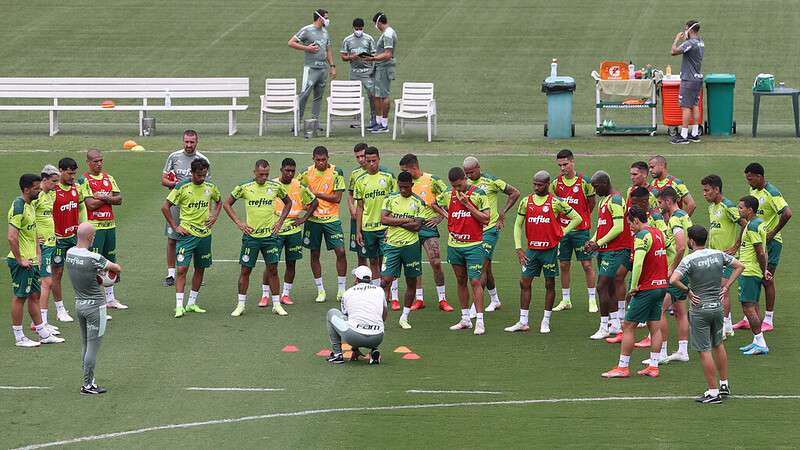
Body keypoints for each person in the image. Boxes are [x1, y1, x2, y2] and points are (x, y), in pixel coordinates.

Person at [670, 225, 743, 403]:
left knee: (704, 350)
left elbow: (673, 279)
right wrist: (726, 287)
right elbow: (740, 266)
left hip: (700, 309)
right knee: (718, 345)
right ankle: (724, 384)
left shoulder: (689, 260)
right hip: (717, 307)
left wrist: (687, 291)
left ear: (692, 241)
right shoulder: (718, 254)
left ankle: (712, 392)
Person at [505, 171, 582, 334]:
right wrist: (519, 248)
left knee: (549, 284)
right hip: (531, 251)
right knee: (524, 283)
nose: (536, 187)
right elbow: (518, 225)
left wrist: (563, 232)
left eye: (540, 185)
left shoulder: (556, 202)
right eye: (534, 184)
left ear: (547, 184)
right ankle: (523, 321)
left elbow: (577, 218)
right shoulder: (526, 201)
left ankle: (545, 321)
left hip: (550, 251)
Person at [601, 206, 668, 378]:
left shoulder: (641, 236)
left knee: (628, 326)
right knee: (655, 326)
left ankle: (623, 367)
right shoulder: (658, 232)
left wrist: (634, 286)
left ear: (636, 220)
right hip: (661, 286)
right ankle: (653, 366)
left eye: (630, 223)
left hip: (647, 288)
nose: (629, 227)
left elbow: (637, 263)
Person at [223, 160, 291, 317]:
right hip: (251, 237)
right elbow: (227, 204)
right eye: (261, 174)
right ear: (254, 172)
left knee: (273, 269)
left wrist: (279, 222)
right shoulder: (244, 187)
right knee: (246, 270)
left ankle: (276, 305)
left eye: (266, 174)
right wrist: (239, 222)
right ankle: (241, 305)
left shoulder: (275, 187)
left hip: (270, 237)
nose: (264, 177)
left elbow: (288, 202)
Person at [7, 174, 64, 347]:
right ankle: (19, 337)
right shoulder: (18, 206)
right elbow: (11, 237)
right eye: (36, 188)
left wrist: (38, 255)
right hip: (22, 263)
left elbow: (33, 234)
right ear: (26, 189)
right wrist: (20, 259)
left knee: (35, 295)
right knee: (20, 297)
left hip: (32, 260)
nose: (40, 191)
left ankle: (43, 333)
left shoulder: (30, 205)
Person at [65, 222, 122, 395]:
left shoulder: (69, 253)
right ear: (91, 237)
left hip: (79, 304)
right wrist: (109, 276)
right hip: (96, 307)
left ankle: (89, 380)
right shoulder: (94, 258)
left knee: (85, 343)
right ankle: (88, 385)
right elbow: (116, 268)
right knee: (93, 346)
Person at [432, 167, 490, 335]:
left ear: (465, 178)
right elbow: (433, 203)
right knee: (460, 280)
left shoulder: (478, 194)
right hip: (455, 246)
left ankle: (479, 320)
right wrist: (447, 215)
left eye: (459, 185)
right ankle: (465, 319)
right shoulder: (449, 195)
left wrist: (467, 205)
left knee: (475, 281)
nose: (457, 189)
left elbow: (486, 219)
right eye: (454, 186)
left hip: (473, 245)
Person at [161, 159, 222, 318]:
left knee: (200, 268)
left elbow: (219, 201)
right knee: (181, 269)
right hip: (186, 235)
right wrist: (175, 227)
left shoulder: (210, 187)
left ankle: (192, 303)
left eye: (204, 175)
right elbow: (165, 206)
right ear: (192, 173)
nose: (202, 178)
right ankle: (179, 306)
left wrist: (214, 216)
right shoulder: (182, 187)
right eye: (200, 175)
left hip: (204, 235)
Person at [735, 163, 792, 332]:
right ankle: (749, 317)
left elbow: (787, 213)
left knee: (766, 279)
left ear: (760, 176)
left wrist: (773, 233)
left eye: (750, 178)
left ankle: (768, 319)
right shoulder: (754, 192)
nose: (749, 182)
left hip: (771, 244)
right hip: (757, 241)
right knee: (754, 278)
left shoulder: (772, 192)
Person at [463, 156, 520, 314]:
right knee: (486, 269)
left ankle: (475, 307)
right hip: (473, 231)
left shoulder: (491, 181)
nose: (469, 176)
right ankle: (495, 300)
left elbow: (514, 192)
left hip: (490, 229)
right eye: (466, 173)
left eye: (471, 172)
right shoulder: (464, 184)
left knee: (481, 267)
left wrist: (503, 211)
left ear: (479, 168)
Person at [399, 154, 452, 311]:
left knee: (436, 262)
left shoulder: (432, 180)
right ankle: (419, 298)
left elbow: (450, 197)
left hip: (428, 227)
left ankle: (442, 299)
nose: (403, 173)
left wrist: (439, 217)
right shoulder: (405, 184)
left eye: (404, 170)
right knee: (415, 265)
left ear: (413, 167)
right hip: (410, 227)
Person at [584, 171, 631, 340]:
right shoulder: (605, 200)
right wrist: (593, 240)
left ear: (604, 183)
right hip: (605, 250)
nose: (595, 190)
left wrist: (598, 242)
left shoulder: (616, 200)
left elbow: (618, 227)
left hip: (616, 250)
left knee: (601, 287)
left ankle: (604, 326)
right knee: (609, 287)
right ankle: (616, 324)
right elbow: (603, 226)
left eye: (596, 187)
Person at [77, 149, 126, 310]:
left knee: (109, 262)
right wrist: (108, 198)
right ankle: (95, 302)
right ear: (88, 162)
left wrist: (103, 197)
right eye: (95, 161)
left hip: (110, 226)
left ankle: (110, 299)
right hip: (94, 228)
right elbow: (89, 204)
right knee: (95, 265)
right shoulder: (83, 180)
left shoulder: (108, 177)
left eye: (101, 161)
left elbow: (119, 199)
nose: (99, 164)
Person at [550, 149, 597, 313]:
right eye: (560, 165)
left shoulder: (585, 182)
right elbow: (554, 204)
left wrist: (583, 217)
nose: (563, 168)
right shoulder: (556, 183)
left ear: (572, 162)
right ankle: (566, 299)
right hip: (563, 231)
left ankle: (592, 299)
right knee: (563, 264)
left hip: (581, 230)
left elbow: (592, 203)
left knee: (586, 264)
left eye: (565, 164)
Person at [299, 146, 348, 302]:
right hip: (313, 220)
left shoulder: (336, 172)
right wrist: (305, 204)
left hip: (331, 219)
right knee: (314, 253)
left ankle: (342, 289)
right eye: (318, 160)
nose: (321, 163)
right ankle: (320, 290)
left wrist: (317, 194)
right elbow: (296, 189)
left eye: (323, 160)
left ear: (328, 158)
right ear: (313, 159)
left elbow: (337, 198)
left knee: (340, 251)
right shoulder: (306, 173)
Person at [162, 130, 209, 287]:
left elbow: (208, 187)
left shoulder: (203, 160)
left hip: (196, 206)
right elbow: (164, 179)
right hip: (176, 203)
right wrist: (176, 185)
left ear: (197, 142)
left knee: (197, 238)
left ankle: (198, 274)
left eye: (192, 142)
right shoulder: (174, 157)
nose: (189, 145)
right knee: (172, 238)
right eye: (186, 142)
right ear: (183, 141)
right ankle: (171, 274)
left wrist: (208, 212)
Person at [701, 174, 746, 338]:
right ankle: (727, 326)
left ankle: (723, 328)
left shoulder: (728, 206)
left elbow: (746, 225)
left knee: (722, 291)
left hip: (726, 258)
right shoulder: (712, 207)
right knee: (720, 290)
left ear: (716, 189)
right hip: (714, 255)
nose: (704, 194)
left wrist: (736, 245)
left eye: (707, 190)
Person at [380, 171, 425, 329]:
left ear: (412, 185)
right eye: (401, 187)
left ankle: (404, 316)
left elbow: (417, 226)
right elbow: (383, 219)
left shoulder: (419, 202)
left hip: (411, 247)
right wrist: (406, 219)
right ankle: (380, 317)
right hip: (392, 246)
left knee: (411, 282)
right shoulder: (390, 198)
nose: (403, 190)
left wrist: (395, 221)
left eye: (406, 187)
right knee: (385, 281)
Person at [354, 147, 397, 300]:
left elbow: (394, 203)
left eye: (374, 160)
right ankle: (379, 292)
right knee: (373, 260)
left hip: (385, 228)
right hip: (368, 228)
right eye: (369, 161)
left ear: (379, 159)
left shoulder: (388, 177)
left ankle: (391, 292)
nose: (371, 164)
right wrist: (358, 231)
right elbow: (359, 207)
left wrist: (391, 225)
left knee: (387, 260)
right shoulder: (361, 181)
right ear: (365, 160)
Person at [273, 158, 318, 305]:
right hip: (276, 229)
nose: (290, 173)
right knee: (271, 263)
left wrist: (303, 219)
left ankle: (285, 294)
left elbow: (314, 202)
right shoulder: (272, 184)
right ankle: (265, 294)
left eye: (292, 171)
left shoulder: (298, 185)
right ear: (281, 170)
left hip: (293, 230)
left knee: (291, 263)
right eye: (287, 170)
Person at [656, 187, 693, 363]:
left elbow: (680, 246)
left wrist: (672, 268)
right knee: (680, 311)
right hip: (686, 269)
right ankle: (683, 351)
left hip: (678, 271)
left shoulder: (675, 219)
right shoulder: (685, 216)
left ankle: (662, 353)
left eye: (660, 202)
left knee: (660, 309)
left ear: (668, 201)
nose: (659, 206)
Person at [50, 157, 87, 323]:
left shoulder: (76, 188)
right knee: (57, 273)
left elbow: (80, 206)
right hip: (58, 239)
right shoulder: (52, 190)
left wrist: (83, 225)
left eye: (74, 174)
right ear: (61, 171)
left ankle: (86, 306)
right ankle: (60, 310)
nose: (72, 177)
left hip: (73, 237)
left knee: (82, 270)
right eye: (69, 174)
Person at [326, 266, 386, 365]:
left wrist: (355, 345)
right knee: (375, 317)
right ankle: (374, 350)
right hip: (377, 338)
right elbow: (384, 316)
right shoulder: (380, 291)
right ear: (370, 279)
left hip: (353, 337)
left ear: (357, 279)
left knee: (331, 313)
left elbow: (348, 318)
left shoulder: (348, 293)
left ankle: (337, 355)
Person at [735, 195, 770, 355]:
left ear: (750, 210)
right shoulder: (759, 224)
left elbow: (760, 252)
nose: (738, 209)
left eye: (741, 207)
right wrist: (765, 269)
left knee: (747, 307)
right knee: (753, 305)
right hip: (753, 270)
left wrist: (764, 270)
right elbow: (764, 250)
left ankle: (761, 342)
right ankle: (757, 341)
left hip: (749, 271)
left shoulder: (753, 227)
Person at [289, 8, 336, 128]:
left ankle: (314, 122)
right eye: (326, 17)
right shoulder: (307, 30)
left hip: (323, 69)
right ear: (320, 18)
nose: (327, 20)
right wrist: (307, 48)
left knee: (318, 97)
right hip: (311, 69)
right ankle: (297, 122)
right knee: (304, 95)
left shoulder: (325, 32)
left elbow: (328, 49)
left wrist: (332, 66)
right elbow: (291, 42)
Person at [30, 165, 61, 335]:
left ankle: (41, 322)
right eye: (53, 181)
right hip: (42, 246)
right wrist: (36, 241)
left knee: (47, 283)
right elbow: (30, 218)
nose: (56, 185)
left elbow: (47, 216)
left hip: (50, 242)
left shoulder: (52, 194)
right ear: (44, 180)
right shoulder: (37, 196)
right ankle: (40, 323)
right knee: (46, 282)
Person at [670, 19, 704, 145]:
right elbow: (689, 46)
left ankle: (683, 135)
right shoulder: (700, 42)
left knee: (685, 107)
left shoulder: (691, 43)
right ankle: (694, 133)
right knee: (695, 105)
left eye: (686, 28)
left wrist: (676, 39)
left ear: (690, 29)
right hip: (697, 79)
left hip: (688, 79)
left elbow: (673, 51)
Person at [341, 18, 377, 129]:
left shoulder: (369, 39)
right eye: (357, 28)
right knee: (354, 97)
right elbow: (343, 57)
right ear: (353, 28)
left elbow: (374, 55)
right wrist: (352, 57)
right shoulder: (347, 40)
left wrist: (367, 57)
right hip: (354, 72)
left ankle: (374, 119)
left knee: (372, 95)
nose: (358, 30)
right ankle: (357, 120)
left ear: (363, 27)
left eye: (360, 28)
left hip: (367, 72)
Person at [365, 11, 396, 133]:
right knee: (377, 95)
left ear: (378, 22)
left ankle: (384, 124)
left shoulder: (388, 34)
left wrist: (372, 58)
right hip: (380, 66)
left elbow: (388, 54)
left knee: (383, 95)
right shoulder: (387, 33)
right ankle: (378, 122)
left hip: (384, 67)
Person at [347, 143, 370, 268]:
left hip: (372, 217)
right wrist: (352, 208)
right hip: (357, 217)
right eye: (357, 157)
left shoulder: (380, 172)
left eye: (362, 156)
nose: (360, 159)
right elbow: (350, 194)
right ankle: (363, 280)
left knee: (377, 254)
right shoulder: (355, 173)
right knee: (360, 252)